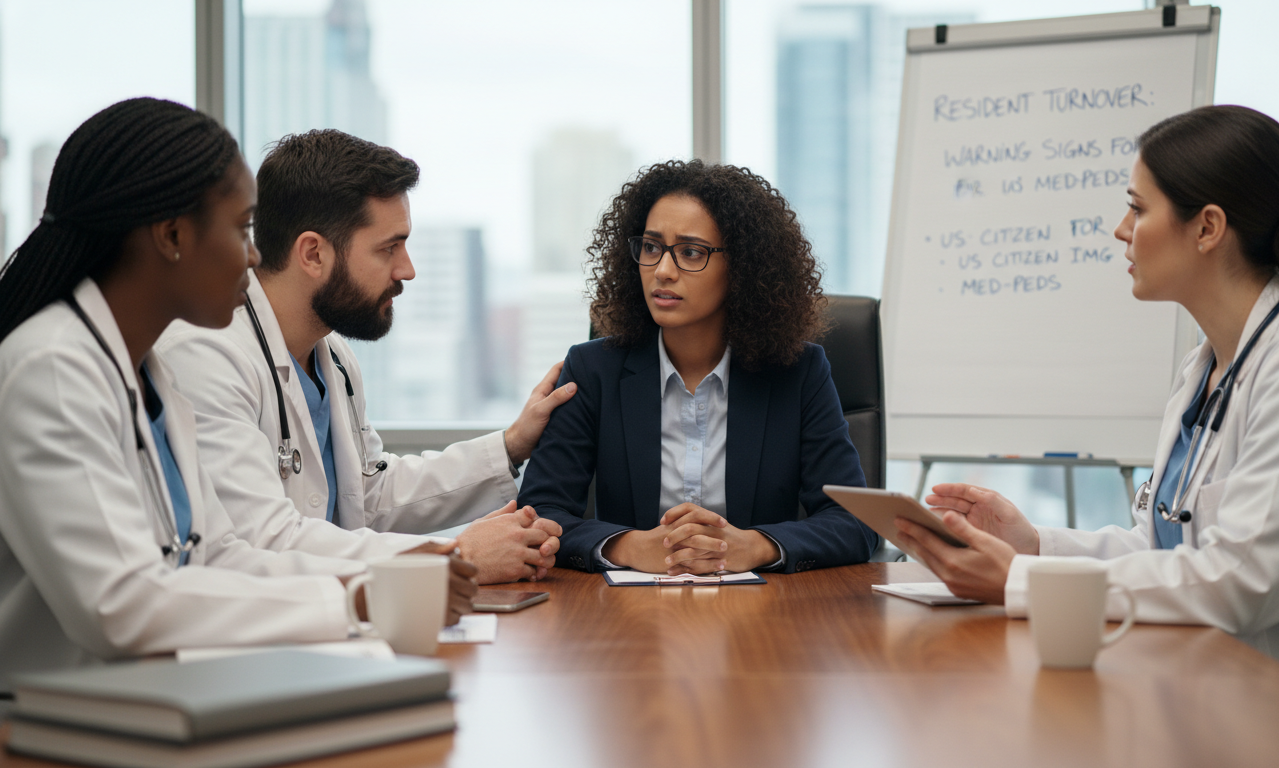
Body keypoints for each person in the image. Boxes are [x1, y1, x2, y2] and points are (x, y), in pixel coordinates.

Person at [0, 99, 476, 691]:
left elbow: (220, 556)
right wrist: (353, 601)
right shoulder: (53, 369)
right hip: (52, 724)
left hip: (157, 694)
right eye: (241, 229)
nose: (254, 255)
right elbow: (121, 606)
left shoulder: (151, 376)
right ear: (172, 236)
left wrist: (375, 588)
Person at [891, 105, 1279, 688]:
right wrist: (1034, 545)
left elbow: (1242, 583)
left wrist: (1020, 579)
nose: (1121, 229)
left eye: (1137, 207)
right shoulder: (1202, 366)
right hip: (1197, 684)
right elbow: (1164, 550)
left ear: (1207, 228)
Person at [157, 129, 569, 585]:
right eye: (388, 248)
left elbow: (367, 494)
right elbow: (264, 540)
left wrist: (511, 444)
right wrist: (456, 555)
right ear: (313, 253)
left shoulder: (332, 356)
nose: (407, 270)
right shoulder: (206, 354)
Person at [518, 160, 880, 574]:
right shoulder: (593, 369)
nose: (663, 271)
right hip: (625, 618)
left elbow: (856, 522)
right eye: (651, 248)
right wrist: (628, 547)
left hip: (764, 618)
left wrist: (755, 546)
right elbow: (540, 514)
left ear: (743, 266)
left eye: (691, 252)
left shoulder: (798, 372)